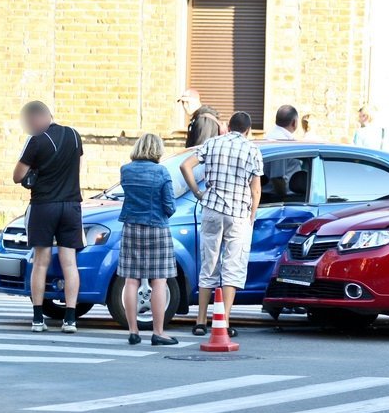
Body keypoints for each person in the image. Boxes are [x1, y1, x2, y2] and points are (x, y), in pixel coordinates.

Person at [180, 111, 263, 337]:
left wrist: (197, 192)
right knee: (232, 267)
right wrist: (252, 215)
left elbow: (185, 166)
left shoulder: (213, 143)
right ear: (248, 130)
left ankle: (200, 320)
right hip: (238, 214)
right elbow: (256, 189)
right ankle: (223, 321)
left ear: (228, 127)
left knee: (209, 264)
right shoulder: (252, 149)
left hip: (212, 210)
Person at [12, 101, 84, 333]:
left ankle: (37, 318)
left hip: (44, 205)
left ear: (36, 119)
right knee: (69, 262)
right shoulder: (74, 135)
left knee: (41, 261)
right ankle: (70, 320)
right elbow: (77, 167)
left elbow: (17, 176)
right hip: (71, 205)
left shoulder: (36, 140)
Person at [117, 133, 179, 346]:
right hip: (157, 229)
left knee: (131, 280)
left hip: (131, 227)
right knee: (159, 280)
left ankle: (133, 331)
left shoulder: (126, 170)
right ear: (157, 149)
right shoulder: (161, 172)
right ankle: (158, 332)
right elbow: (170, 206)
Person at [264, 104, 299, 197]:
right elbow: (277, 178)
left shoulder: (270, 136)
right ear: (294, 122)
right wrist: (284, 199)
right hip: (279, 197)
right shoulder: (282, 141)